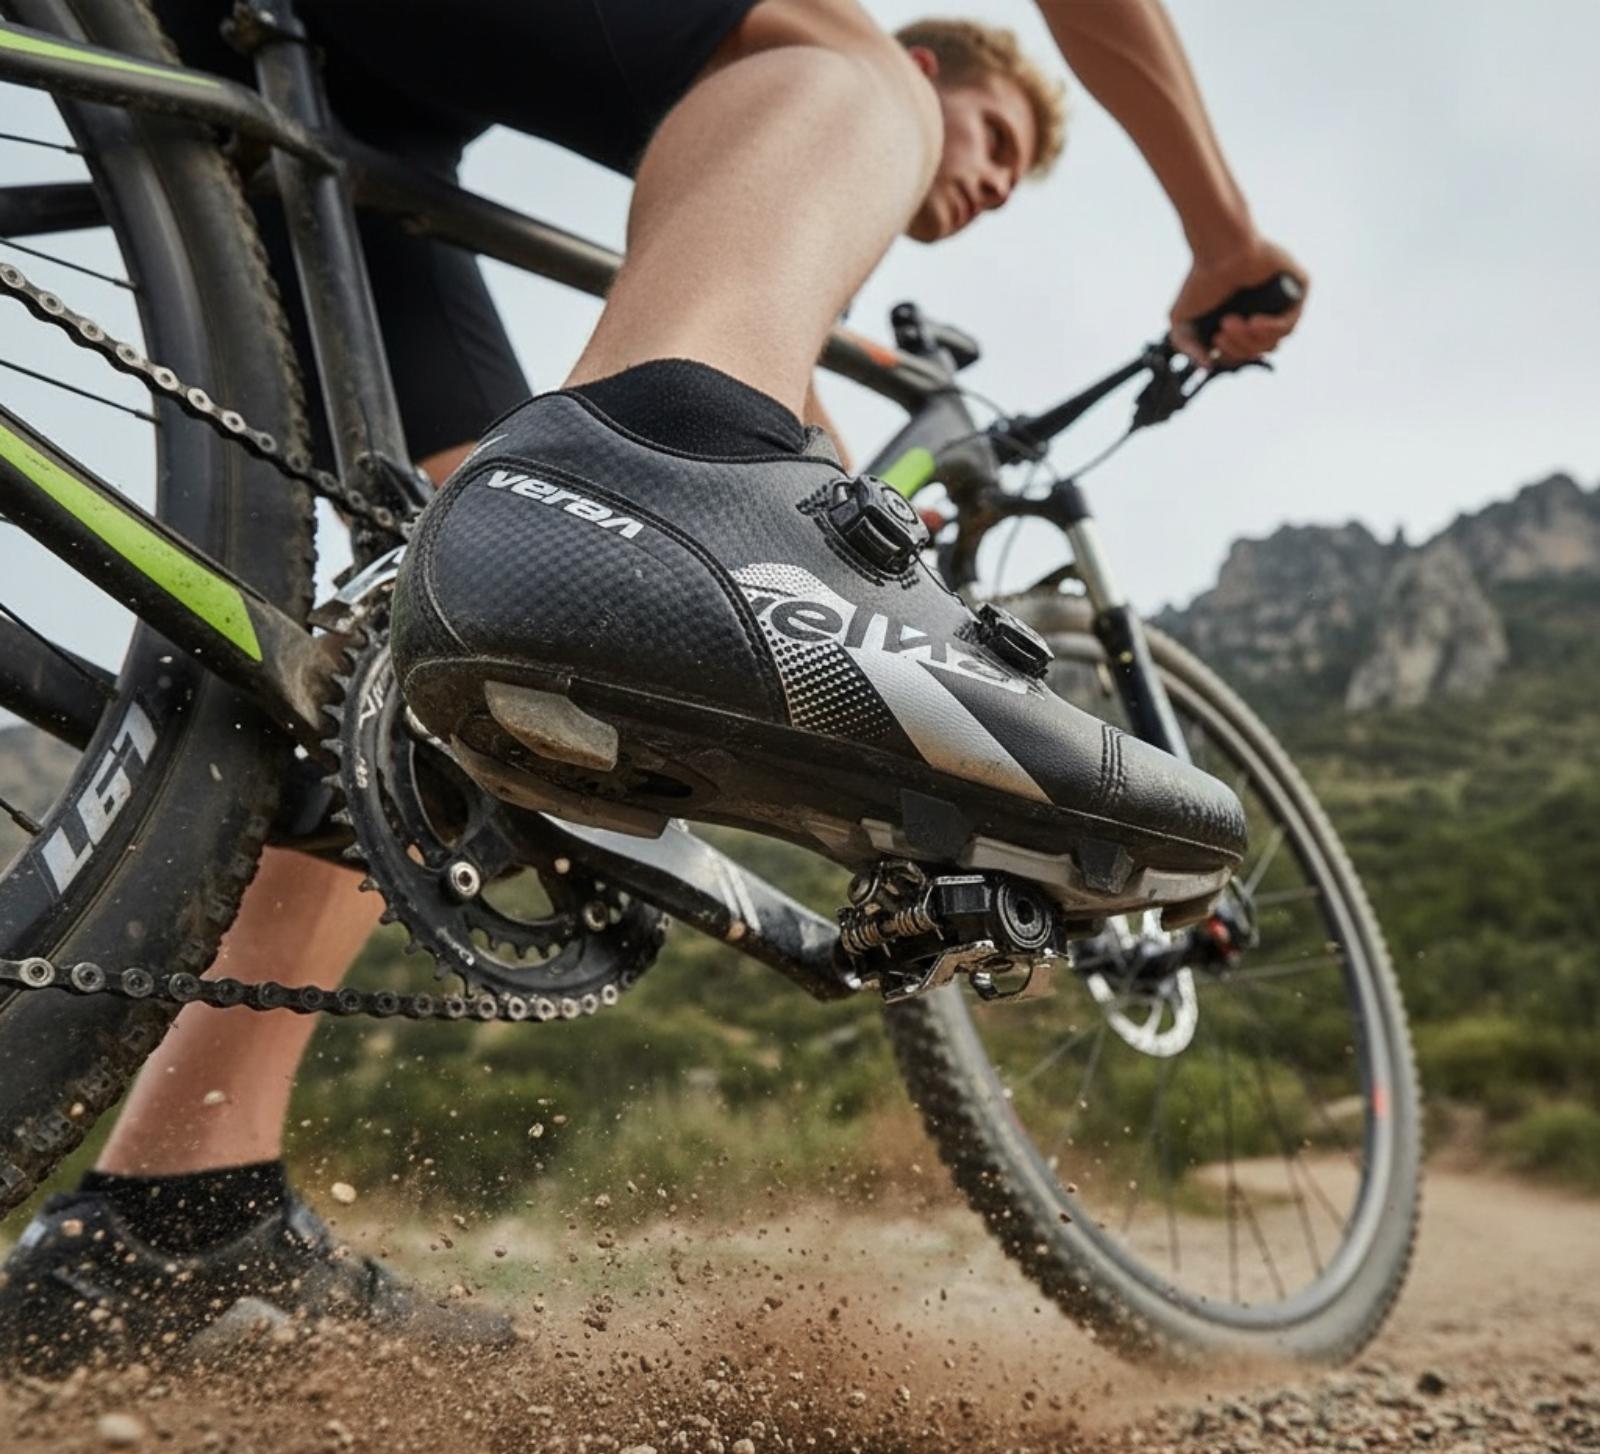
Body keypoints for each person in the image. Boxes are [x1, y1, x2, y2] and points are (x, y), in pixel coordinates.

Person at [0, 0, 1307, 1375]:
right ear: (946, 69)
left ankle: (174, 1212)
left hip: (345, 95)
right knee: (832, 64)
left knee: (431, 652)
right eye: (991, 138)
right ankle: (672, 440)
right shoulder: (888, 85)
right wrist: (1223, 236)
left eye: (1009, 182)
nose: (987, 182)